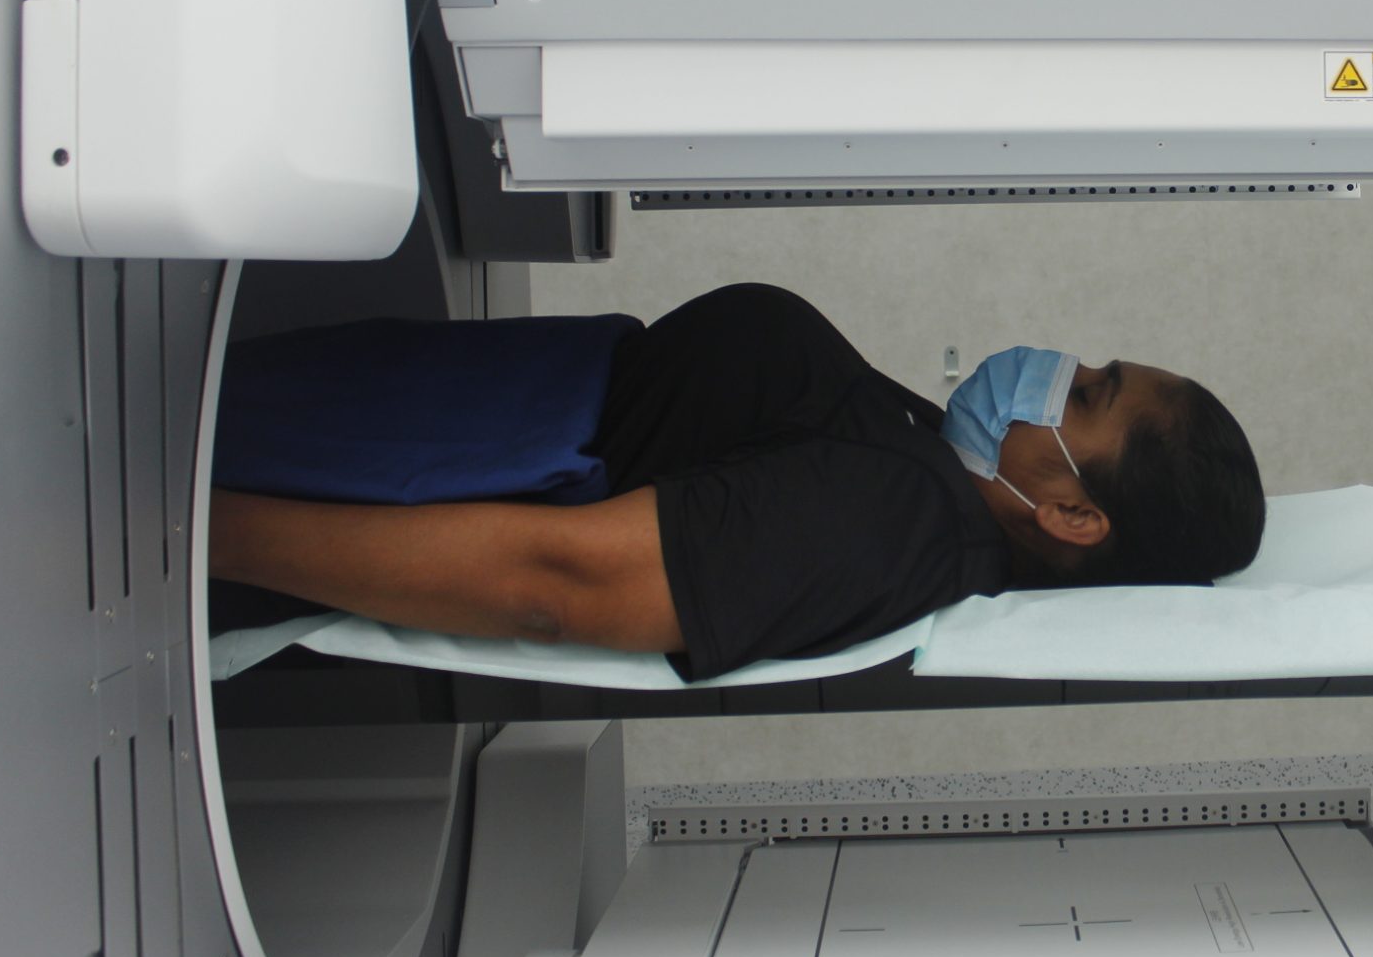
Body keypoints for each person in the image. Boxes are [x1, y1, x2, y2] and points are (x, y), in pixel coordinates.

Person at [207, 283, 1265, 678]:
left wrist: (181, 532)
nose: (1056, 369)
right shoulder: (928, 476)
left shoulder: (891, 524)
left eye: (1086, 393)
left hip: (365, 474)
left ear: (1072, 514)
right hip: (423, 414)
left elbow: (554, 581)